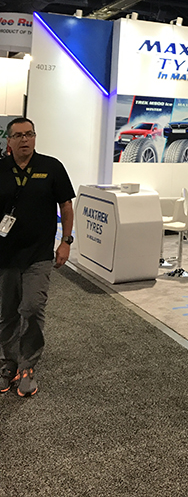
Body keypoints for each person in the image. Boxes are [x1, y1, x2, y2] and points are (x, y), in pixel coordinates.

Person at [0, 118, 75, 397]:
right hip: (5, 256)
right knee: (7, 313)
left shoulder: (52, 167)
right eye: (18, 135)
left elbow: (66, 205)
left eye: (29, 134)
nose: (25, 139)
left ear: (35, 137)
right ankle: (8, 363)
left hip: (39, 255)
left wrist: (66, 241)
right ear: (9, 140)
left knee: (32, 308)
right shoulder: (0, 168)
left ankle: (28, 366)